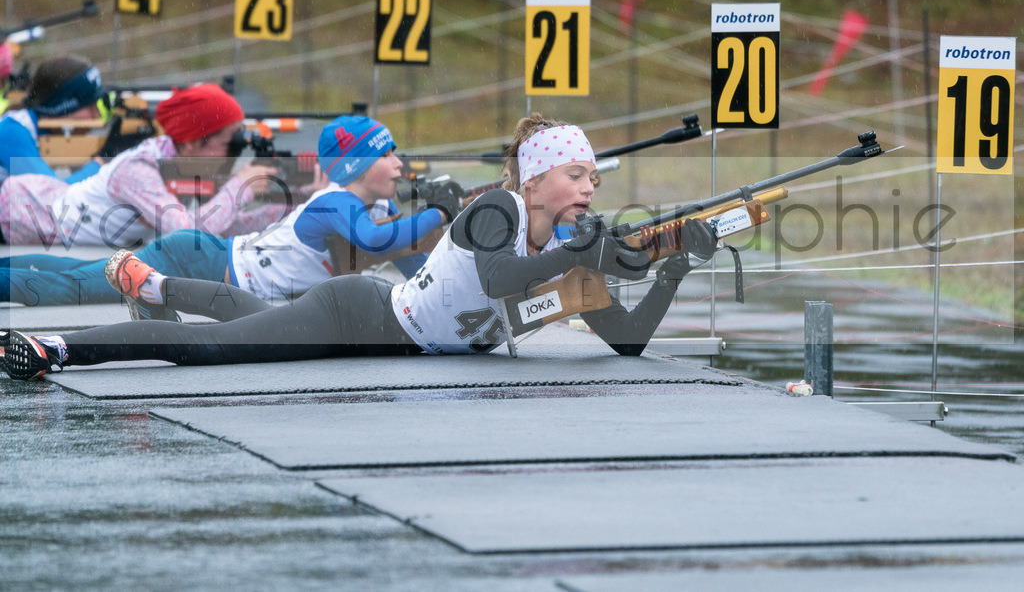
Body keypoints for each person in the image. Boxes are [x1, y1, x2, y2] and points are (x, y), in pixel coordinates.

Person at [0, 114, 719, 381]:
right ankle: (61, 345)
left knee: (245, 318)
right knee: (215, 351)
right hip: (362, 316)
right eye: (575, 173)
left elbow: (626, 339)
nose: (590, 186)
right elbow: (503, 279)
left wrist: (674, 266)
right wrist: (580, 254)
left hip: (382, 335)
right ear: (536, 179)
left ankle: (154, 285)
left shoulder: (563, 240)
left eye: (595, 176)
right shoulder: (497, 210)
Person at [0, 114, 454, 313]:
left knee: (78, 274)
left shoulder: (379, 206)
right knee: (72, 289)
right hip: (196, 261)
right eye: (388, 155)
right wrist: (438, 209)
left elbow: (414, 267)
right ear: (357, 166)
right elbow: (377, 242)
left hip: (210, 260)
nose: (400, 163)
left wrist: (445, 244)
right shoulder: (338, 203)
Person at [0, 83, 285, 247]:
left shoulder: (182, 165)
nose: (236, 154)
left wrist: (289, 207)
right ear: (190, 144)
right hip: (18, 209)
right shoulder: (139, 169)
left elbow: (222, 226)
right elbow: (186, 233)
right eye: (230, 144)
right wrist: (240, 189)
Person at [0, 55, 106, 184]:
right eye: (90, 105)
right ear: (61, 107)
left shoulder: (50, 136)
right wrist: (98, 166)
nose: (97, 115)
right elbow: (49, 195)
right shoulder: (11, 132)